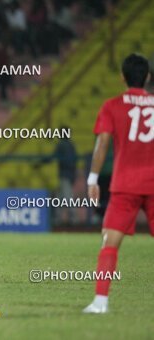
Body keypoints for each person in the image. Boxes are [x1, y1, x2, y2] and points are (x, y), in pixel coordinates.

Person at [83, 54, 154, 313]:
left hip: (126, 184)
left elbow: (102, 143)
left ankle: (100, 302)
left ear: (122, 77)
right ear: (147, 77)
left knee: (109, 243)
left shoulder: (112, 105)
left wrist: (93, 179)